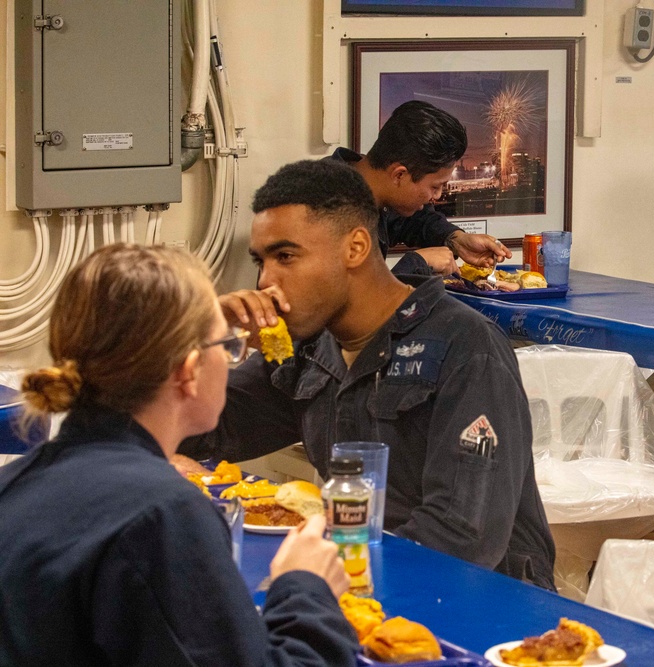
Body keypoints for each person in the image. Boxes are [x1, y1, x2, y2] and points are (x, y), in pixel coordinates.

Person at [180, 159, 556, 590]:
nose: (266, 280)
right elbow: (198, 433)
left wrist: (324, 586)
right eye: (261, 261)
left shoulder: (465, 347)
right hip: (366, 584)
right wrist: (206, 342)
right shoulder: (310, 347)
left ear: (356, 248)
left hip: (482, 611)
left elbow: (463, 537)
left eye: (285, 256)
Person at [0, 244, 358, 666]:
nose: (233, 359)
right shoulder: (162, 514)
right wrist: (306, 590)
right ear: (189, 371)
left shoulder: (16, 484)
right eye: (227, 345)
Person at [323, 100, 512, 276]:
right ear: (400, 175)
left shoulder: (373, 186)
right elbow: (354, 306)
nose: (437, 196)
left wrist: (456, 239)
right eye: (435, 186)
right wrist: (417, 263)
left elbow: (414, 221)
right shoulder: (323, 212)